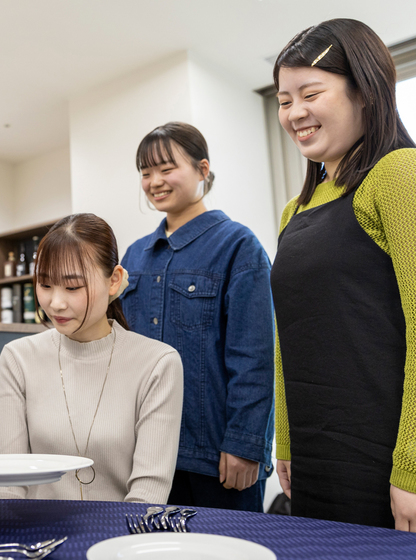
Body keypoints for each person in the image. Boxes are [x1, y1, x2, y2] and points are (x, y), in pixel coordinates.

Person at [270, 18, 416, 530]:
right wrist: (286, 442)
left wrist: (411, 467)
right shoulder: (294, 211)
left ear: (366, 91)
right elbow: (289, 336)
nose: (295, 113)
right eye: (284, 100)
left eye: (311, 94)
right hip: (316, 455)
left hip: (386, 458)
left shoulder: (397, 173)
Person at [120, 122, 275, 512]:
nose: (154, 181)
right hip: (143, 452)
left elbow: (255, 356)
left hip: (215, 455)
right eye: (145, 172)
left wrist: (245, 444)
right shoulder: (134, 256)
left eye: (166, 168)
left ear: (202, 169)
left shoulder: (238, 245)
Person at [0, 213, 184, 502]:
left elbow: (148, 493)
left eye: (72, 287)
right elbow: (5, 482)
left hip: (123, 528)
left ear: (114, 281)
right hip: (32, 528)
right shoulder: (18, 358)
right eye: (45, 285)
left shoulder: (157, 363)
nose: (56, 303)